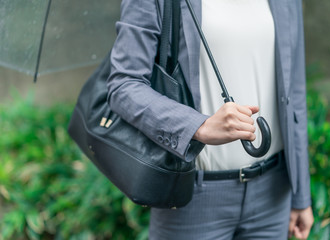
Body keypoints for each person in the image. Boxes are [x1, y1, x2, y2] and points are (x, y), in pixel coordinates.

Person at [107, 0, 314, 239]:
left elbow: (294, 91)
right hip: (193, 200)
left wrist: (301, 195)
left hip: (272, 195)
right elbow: (124, 85)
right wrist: (198, 126)